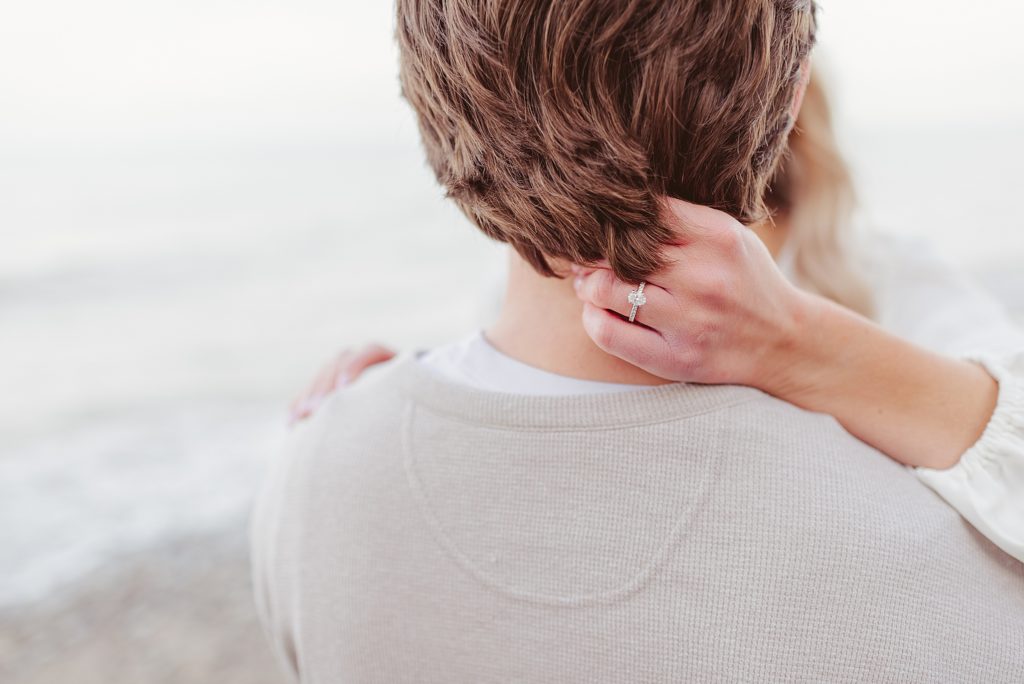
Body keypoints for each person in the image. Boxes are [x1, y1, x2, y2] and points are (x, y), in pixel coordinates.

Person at [252, 1, 1024, 681]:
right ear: (787, 103)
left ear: (433, 100)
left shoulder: (306, 480)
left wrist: (365, 429)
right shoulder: (942, 567)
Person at [291, 68, 1024, 566]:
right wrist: (422, 401)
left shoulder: (885, 271)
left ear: (784, 100)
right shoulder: (538, 282)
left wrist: (796, 344)